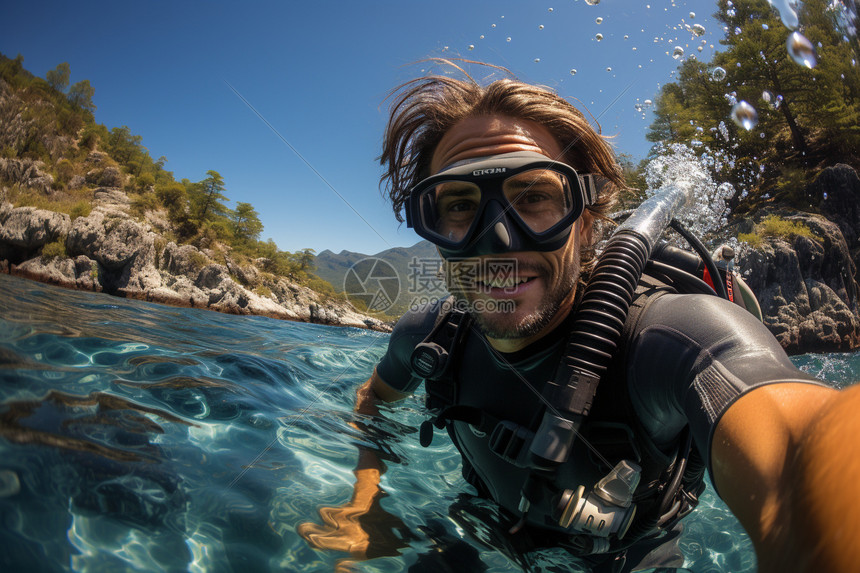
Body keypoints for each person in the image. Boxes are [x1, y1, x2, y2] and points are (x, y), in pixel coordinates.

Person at [298, 61, 860, 572]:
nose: (496, 244)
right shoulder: (429, 335)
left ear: (586, 222)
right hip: (481, 522)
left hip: (626, 555)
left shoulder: (671, 337)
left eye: (535, 197)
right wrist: (365, 500)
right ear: (434, 231)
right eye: (460, 205)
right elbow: (372, 400)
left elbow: (801, 440)